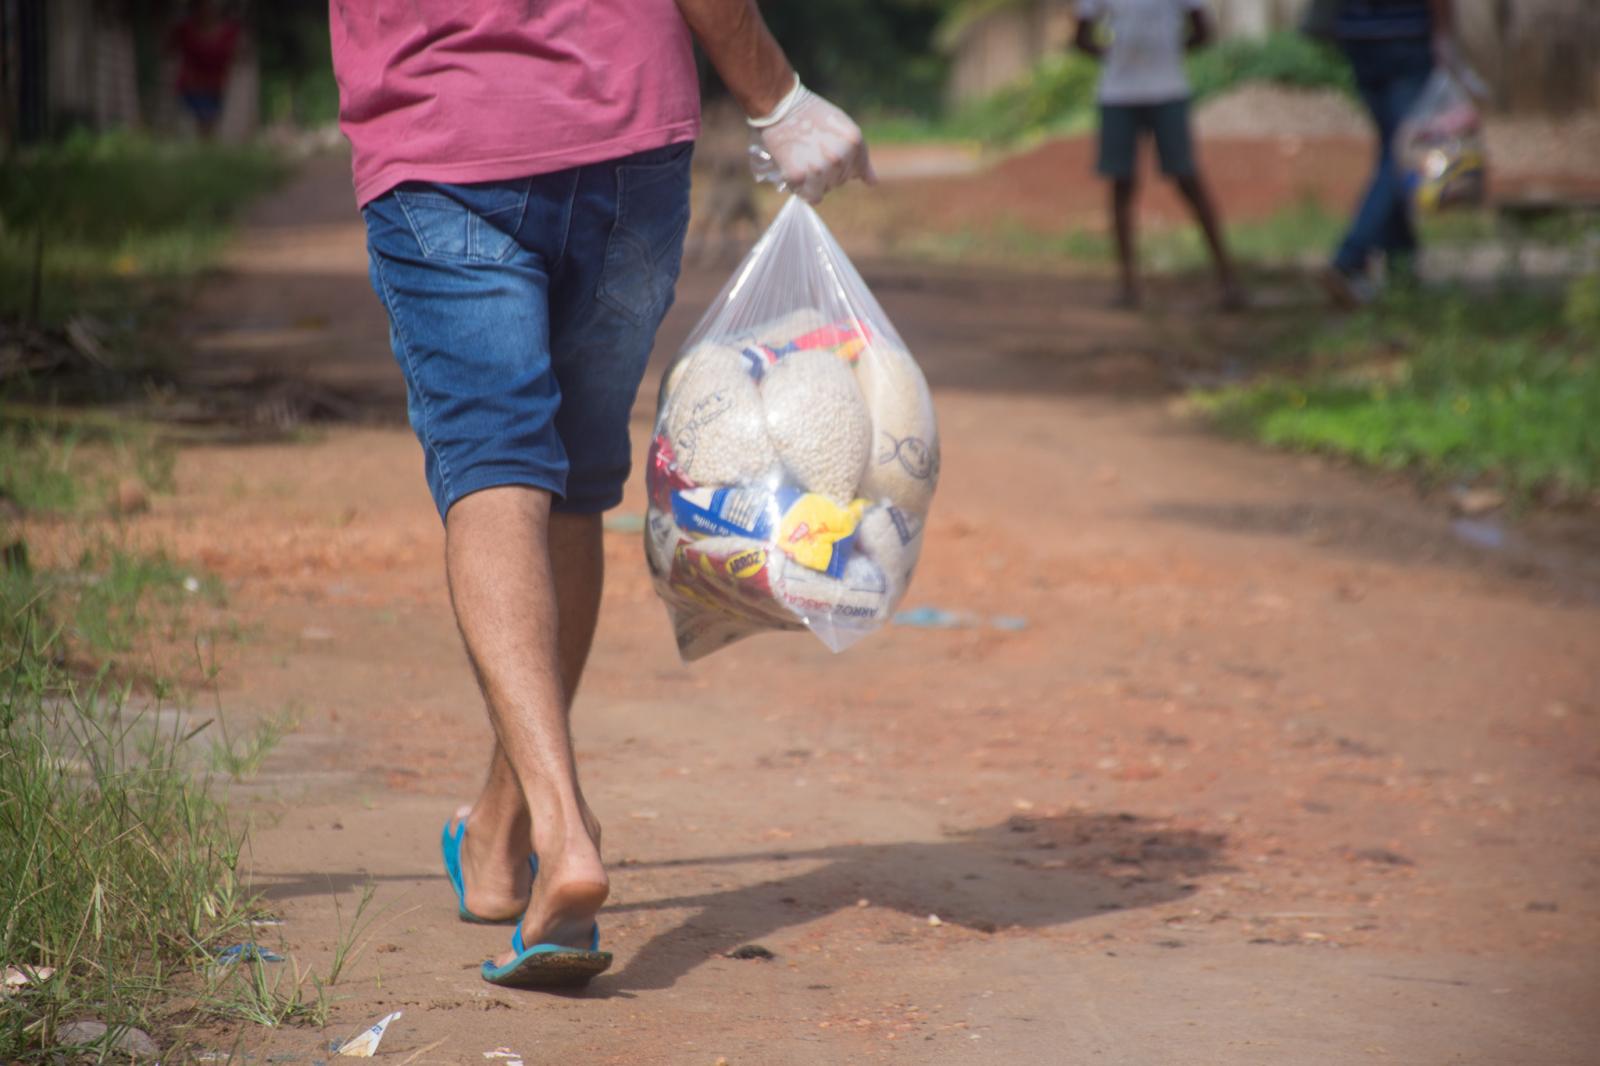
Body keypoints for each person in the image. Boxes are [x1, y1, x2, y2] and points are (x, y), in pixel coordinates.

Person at [331, 0, 873, 990]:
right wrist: (777, 98)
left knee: (495, 468)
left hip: (439, 129)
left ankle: (554, 827)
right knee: (571, 484)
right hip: (623, 129)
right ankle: (507, 831)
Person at [1074, 0, 1243, 310]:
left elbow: (1203, 30)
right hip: (1118, 93)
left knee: (1186, 178)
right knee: (1122, 184)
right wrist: (1117, 56)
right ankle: (1127, 284)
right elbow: (1080, 37)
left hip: (1168, 90)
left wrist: (1166, 54)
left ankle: (1227, 278)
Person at [1320, 0, 1456, 307]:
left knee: (1392, 149)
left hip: (1357, 36)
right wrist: (1444, 35)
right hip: (1405, 35)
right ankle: (1350, 258)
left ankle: (1402, 269)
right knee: (1402, 154)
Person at [169, 0, 240, 140]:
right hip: (189, 87)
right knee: (190, 130)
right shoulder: (185, 29)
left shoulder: (230, 31)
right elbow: (169, 51)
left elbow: (238, 57)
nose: (208, 10)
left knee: (209, 129)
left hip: (216, 88)